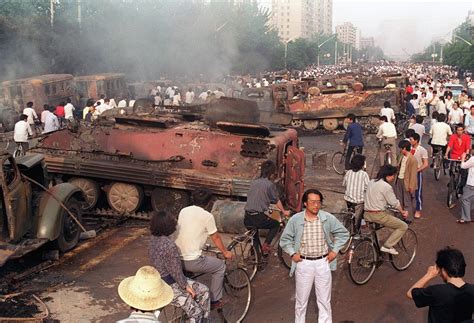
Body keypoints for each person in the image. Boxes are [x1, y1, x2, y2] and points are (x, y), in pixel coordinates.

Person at [280, 189, 349, 323]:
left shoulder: (327, 218)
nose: (316, 205)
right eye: (312, 202)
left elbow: (343, 233)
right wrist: (292, 253)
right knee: (301, 301)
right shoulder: (296, 219)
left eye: (318, 202)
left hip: (323, 263)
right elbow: (285, 239)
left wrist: (334, 251)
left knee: (324, 300)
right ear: (305, 203)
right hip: (303, 264)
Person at [174, 188, 232, 310]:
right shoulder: (207, 216)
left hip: (175, 258)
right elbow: (215, 237)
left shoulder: (184, 210)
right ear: (209, 202)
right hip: (192, 260)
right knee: (220, 266)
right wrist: (225, 252)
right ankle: (216, 300)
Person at [149, 211, 210, 322]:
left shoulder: (153, 239)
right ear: (168, 226)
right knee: (198, 310)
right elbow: (176, 271)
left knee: (202, 290)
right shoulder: (169, 245)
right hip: (170, 284)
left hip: (158, 280)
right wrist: (187, 287)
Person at [407, 247, 474, 323]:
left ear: (443, 270)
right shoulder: (472, 291)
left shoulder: (436, 292)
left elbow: (410, 293)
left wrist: (429, 275)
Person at [244, 160, 290, 254]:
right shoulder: (269, 185)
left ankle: (256, 259)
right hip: (258, 217)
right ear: (272, 173)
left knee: (255, 239)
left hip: (247, 217)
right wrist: (284, 211)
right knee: (276, 224)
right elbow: (276, 200)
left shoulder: (254, 182)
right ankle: (266, 245)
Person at [364, 165, 409, 255]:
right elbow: (394, 203)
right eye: (392, 176)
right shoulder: (386, 187)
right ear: (387, 176)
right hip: (378, 215)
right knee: (403, 226)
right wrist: (402, 211)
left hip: (366, 214)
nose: (393, 178)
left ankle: (376, 253)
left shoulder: (371, 182)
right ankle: (387, 245)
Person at [343, 154, 369, 232]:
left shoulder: (348, 172)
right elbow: (367, 187)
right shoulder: (364, 174)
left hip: (348, 200)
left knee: (351, 213)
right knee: (359, 217)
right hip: (359, 201)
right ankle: (357, 230)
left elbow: (344, 184)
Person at [395, 141, 418, 222]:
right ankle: (400, 216)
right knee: (399, 199)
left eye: (401, 149)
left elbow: (413, 175)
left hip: (407, 183)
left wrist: (411, 186)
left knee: (407, 201)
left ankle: (408, 218)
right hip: (399, 180)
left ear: (404, 148)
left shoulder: (412, 159)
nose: (400, 150)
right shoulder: (402, 156)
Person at [408, 133, 429, 219]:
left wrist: (417, 170)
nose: (410, 141)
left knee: (418, 192)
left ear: (416, 140)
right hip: (408, 172)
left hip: (417, 172)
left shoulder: (422, 150)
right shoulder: (408, 148)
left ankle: (418, 209)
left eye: (411, 139)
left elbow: (425, 164)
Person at [459, 151, 474, 223]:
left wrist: (463, 158)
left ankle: (465, 218)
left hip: (472, 183)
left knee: (465, 199)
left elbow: (463, 166)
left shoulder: (473, 159)